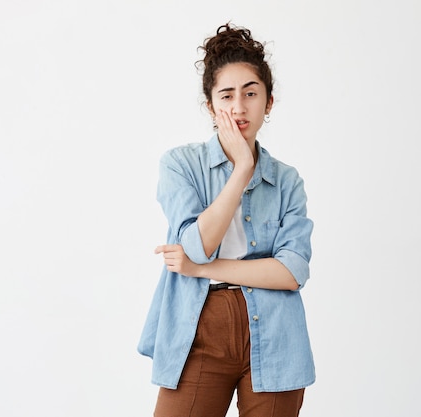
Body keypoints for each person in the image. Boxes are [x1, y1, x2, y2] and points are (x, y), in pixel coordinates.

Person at [138, 22, 315, 417]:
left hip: (276, 331)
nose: (239, 107)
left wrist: (204, 269)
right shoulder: (180, 165)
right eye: (227, 95)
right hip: (199, 328)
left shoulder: (287, 181)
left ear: (268, 102)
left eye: (251, 94)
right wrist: (242, 170)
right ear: (210, 106)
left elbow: (292, 272)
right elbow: (195, 244)